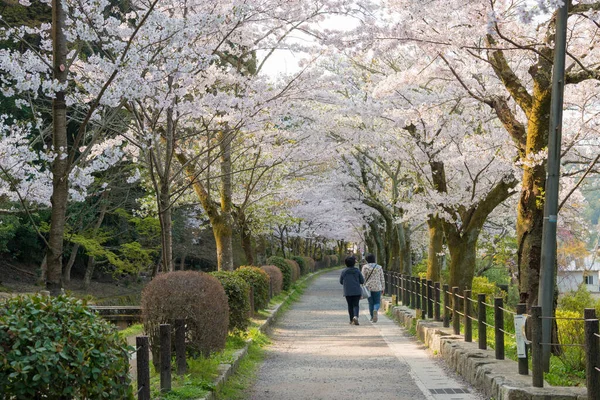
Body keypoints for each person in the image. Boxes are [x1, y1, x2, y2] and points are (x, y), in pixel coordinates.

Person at [339, 255, 364, 325]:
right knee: (356, 305)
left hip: (347, 291)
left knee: (350, 305)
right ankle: (356, 316)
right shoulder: (357, 271)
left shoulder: (344, 271)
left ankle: (351, 319)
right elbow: (362, 281)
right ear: (354, 263)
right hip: (356, 291)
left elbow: (341, 281)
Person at [361, 253, 385, 322]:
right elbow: (382, 278)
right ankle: (375, 310)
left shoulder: (365, 267)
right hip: (378, 286)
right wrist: (383, 287)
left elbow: (362, 278)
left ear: (367, 260)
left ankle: (372, 317)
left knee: (370, 303)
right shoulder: (379, 267)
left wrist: (362, 285)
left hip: (368, 287)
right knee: (377, 302)